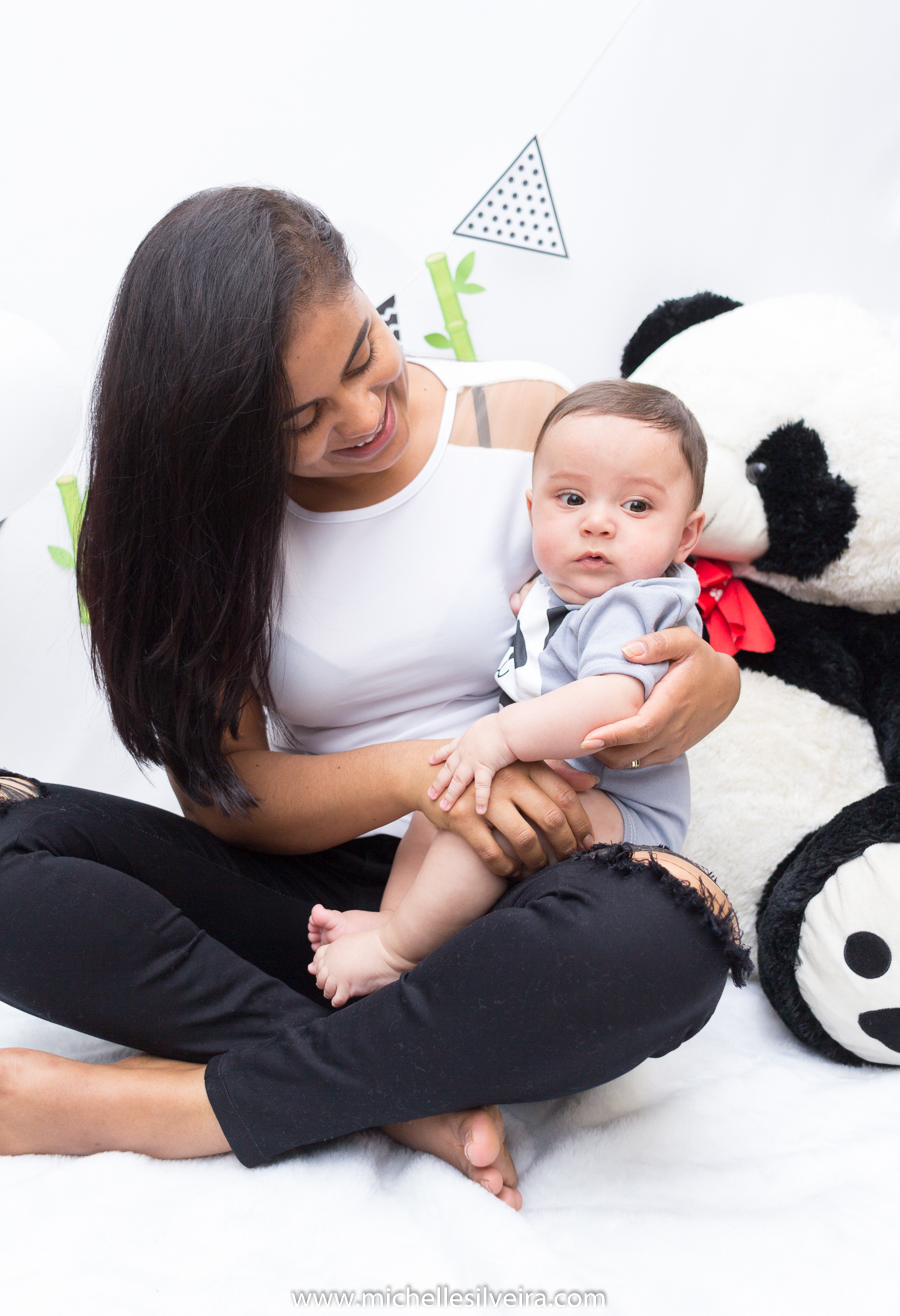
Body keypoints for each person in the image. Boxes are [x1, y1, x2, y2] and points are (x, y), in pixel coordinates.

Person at [0, 188, 746, 1211]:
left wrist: (715, 678)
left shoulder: (526, 416)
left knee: (665, 937)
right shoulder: (206, 534)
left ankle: (172, 1109)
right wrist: (426, 776)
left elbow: (656, 585)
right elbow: (229, 800)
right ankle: (392, 1087)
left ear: (365, 297)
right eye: (297, 419)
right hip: (321, 908)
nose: (362, 418)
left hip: (526, 882)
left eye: (363, 355)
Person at [307, 379, 719, 1007]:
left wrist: (497, 736)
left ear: (686, 537)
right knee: (443, 796)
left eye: (637, 507)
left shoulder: (637, 603)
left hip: (624, 807)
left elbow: (614, 700)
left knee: (483, 811)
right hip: (563, 781)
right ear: (533, 510)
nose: (599, 524)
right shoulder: (561, 590)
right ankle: (396, 923)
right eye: (572, 498)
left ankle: (397, 954)